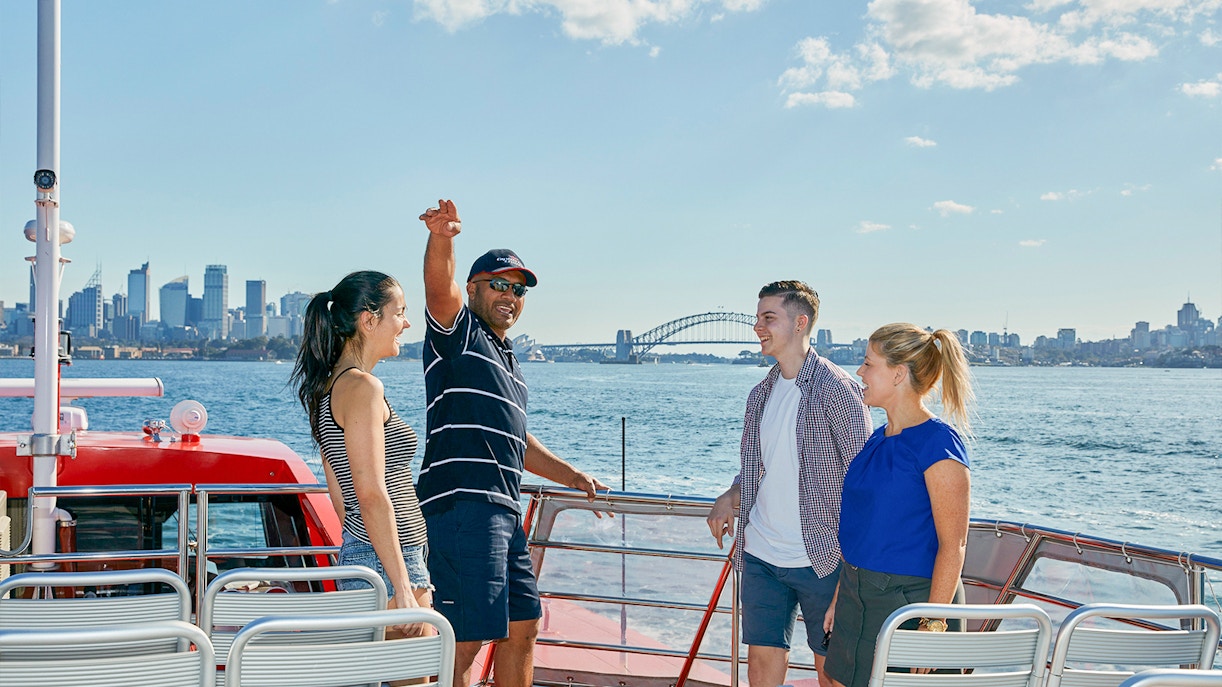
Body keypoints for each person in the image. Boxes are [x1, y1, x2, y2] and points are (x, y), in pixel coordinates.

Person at [418, 199, 609, 687]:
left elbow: (516, 440)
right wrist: (443, 238)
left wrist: (573, 476)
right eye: (499, 284)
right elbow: (439, 293)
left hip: (503, 509)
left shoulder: (508, 359)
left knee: (523, 625)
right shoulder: (458, 336)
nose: (510, 295)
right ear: (474, 289)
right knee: (461, 639)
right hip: (462, 506)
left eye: (519, 289)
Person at [706, 280, 872, 687]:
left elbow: (864, 484)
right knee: (761, 668)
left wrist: (853, 570)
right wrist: (731, 494)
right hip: (761, 553)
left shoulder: (839, 391)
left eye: (768, 318)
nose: (757, 327)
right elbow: (758, 467)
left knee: (832, 674)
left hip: (823, 558)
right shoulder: (760, 394)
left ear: (800, 323)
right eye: (757, 318)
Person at [823, 323, 974, 687]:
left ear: (898, 374)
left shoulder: (938, 444)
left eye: (868, 363)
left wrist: (933, 624)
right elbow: (866, 525)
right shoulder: (878, 438)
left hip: (911, 604)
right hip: (856, 595)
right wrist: (840, 595)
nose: (859, 372)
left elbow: (953, 545)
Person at [289, 271, 432, 649]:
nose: (406, 323)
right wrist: (401, 584)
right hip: (390, 560)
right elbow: (369, 494)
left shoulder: (328, 388)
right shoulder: (363, 388)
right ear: (369, 321)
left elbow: (340, 495)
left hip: (371, 554)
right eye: (399, 313)